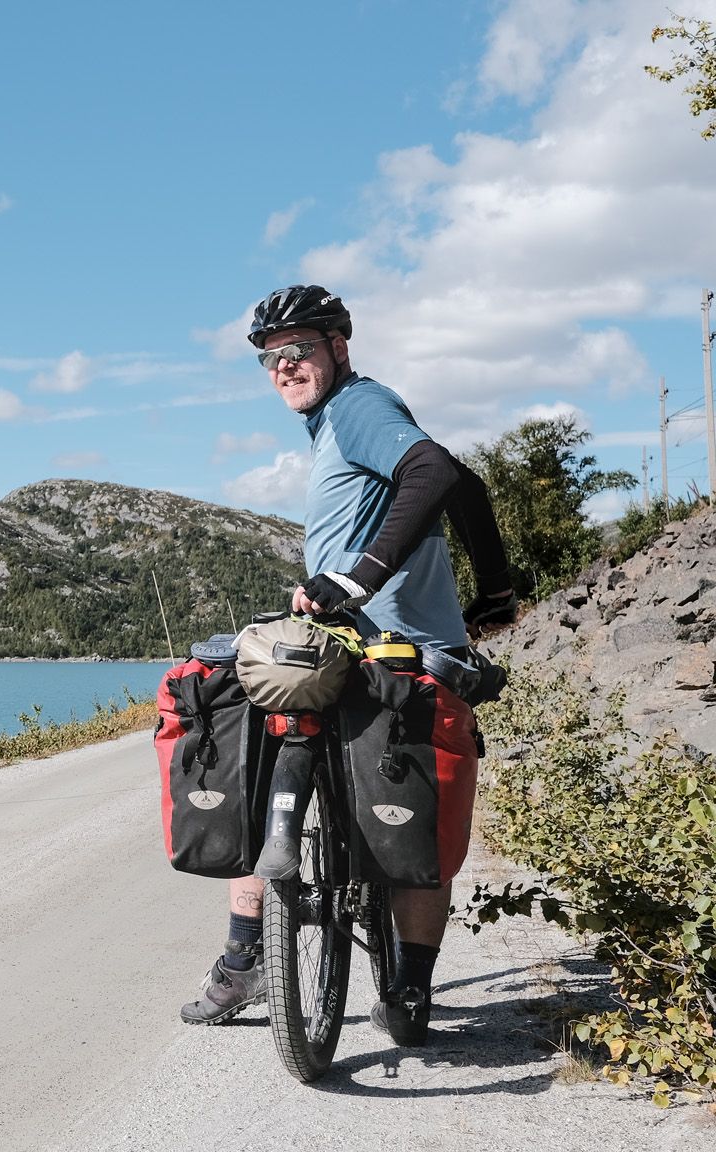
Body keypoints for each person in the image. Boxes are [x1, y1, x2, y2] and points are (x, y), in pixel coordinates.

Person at [178, 284, 518, 1045]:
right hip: (342, 646)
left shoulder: (361, 406)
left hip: (397, 650)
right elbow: (467, 483)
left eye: (297, 349)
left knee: (409, 823)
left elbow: (430, 472)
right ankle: (255, 957)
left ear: (339, 345)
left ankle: (401, 984)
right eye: (270, 358)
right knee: (262, 768)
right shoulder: (335, 421)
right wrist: (496, 587)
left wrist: (357, 577)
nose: (283, 367)